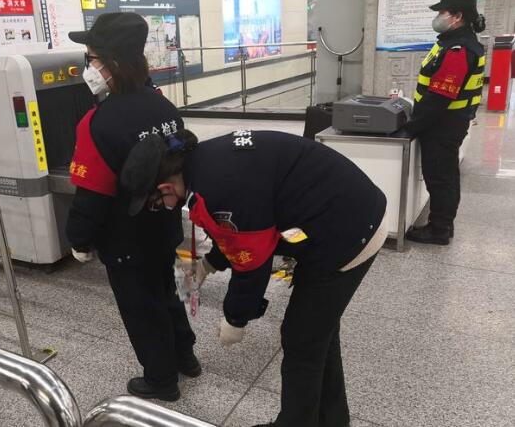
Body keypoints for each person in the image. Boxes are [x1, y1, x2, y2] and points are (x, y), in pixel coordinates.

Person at [120, 129, 388, 427]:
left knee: (301, 341)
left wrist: (235, 318)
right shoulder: (204, 163)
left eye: (157, 202)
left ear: (165, 187)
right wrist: (207, 264)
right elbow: (242, 228)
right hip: (346, 211)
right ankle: (332, 420)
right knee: (317, 334)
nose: (163, 207)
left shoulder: (218, 185)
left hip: (346, 232)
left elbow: (252, 263)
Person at [64, 12, 198, 402]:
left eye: (91, 58)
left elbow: (92, 194)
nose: (88, 67)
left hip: (125, 240)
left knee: (141, 307)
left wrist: (79, 240)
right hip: (164, 227)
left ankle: (161, 379)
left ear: (111, 62)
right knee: (166, 291)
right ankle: (186, 357)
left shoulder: (98, 122)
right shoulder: (163, 106)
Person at [404, 0, 486, 245]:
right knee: (447, 175)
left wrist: (412, 127)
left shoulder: (458, 49)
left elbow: (439, 97)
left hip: (442, 125)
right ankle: (444, 225)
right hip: (448, 122)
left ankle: (439, 229)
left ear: (457, 16)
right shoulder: (453, 42)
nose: (438, 16)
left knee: (440, 178)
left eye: (442, 12)